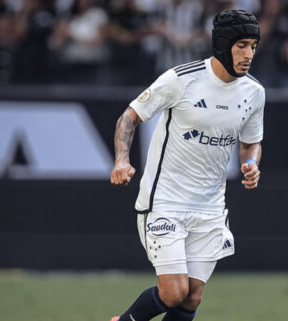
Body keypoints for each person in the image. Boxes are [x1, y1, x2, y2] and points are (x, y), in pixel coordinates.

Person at [109, 9, 264, 321]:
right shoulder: (181, 79)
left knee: (191, 298)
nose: (249, 54)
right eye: (242, 46)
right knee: (173, 292)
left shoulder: (254, 92)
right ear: (223, 45)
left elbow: (251, 142)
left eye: (254, 46)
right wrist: (122, 160)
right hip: (165, 201)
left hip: (210, 208)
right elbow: (130, 116)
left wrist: (250, 163)